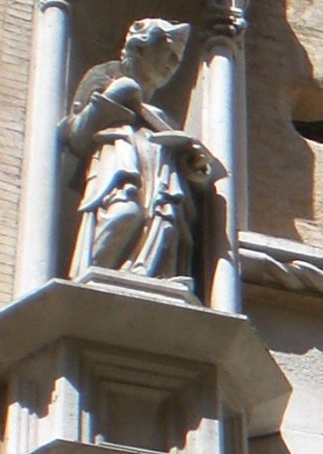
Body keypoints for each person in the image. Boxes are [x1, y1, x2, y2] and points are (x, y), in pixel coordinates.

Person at [64, 17, 220, 291]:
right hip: (119, 159)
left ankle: (150, 276)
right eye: (169, 54)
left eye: (178, 59)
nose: (174, 65)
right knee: (124, 213)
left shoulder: (163, 117)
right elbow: (76, 136)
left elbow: (193, 175)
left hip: (159, 172)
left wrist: (194, 166)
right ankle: (86, 282)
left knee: (167, 226)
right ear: (142, 47)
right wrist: (111, 97)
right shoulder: (104, 78)